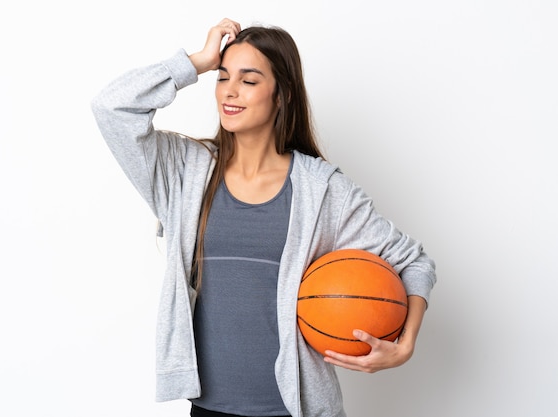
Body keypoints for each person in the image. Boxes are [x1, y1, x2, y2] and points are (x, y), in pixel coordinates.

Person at [91, 18, 436, 417]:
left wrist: (405, 344)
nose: (229, 91)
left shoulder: (322, 191)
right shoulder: (184, 172)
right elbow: (111, 107)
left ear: (281, 95)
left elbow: (413, 261)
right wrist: (197, 62)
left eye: (249, 80)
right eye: (223, 78)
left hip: (294, 411)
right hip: (208, 409)